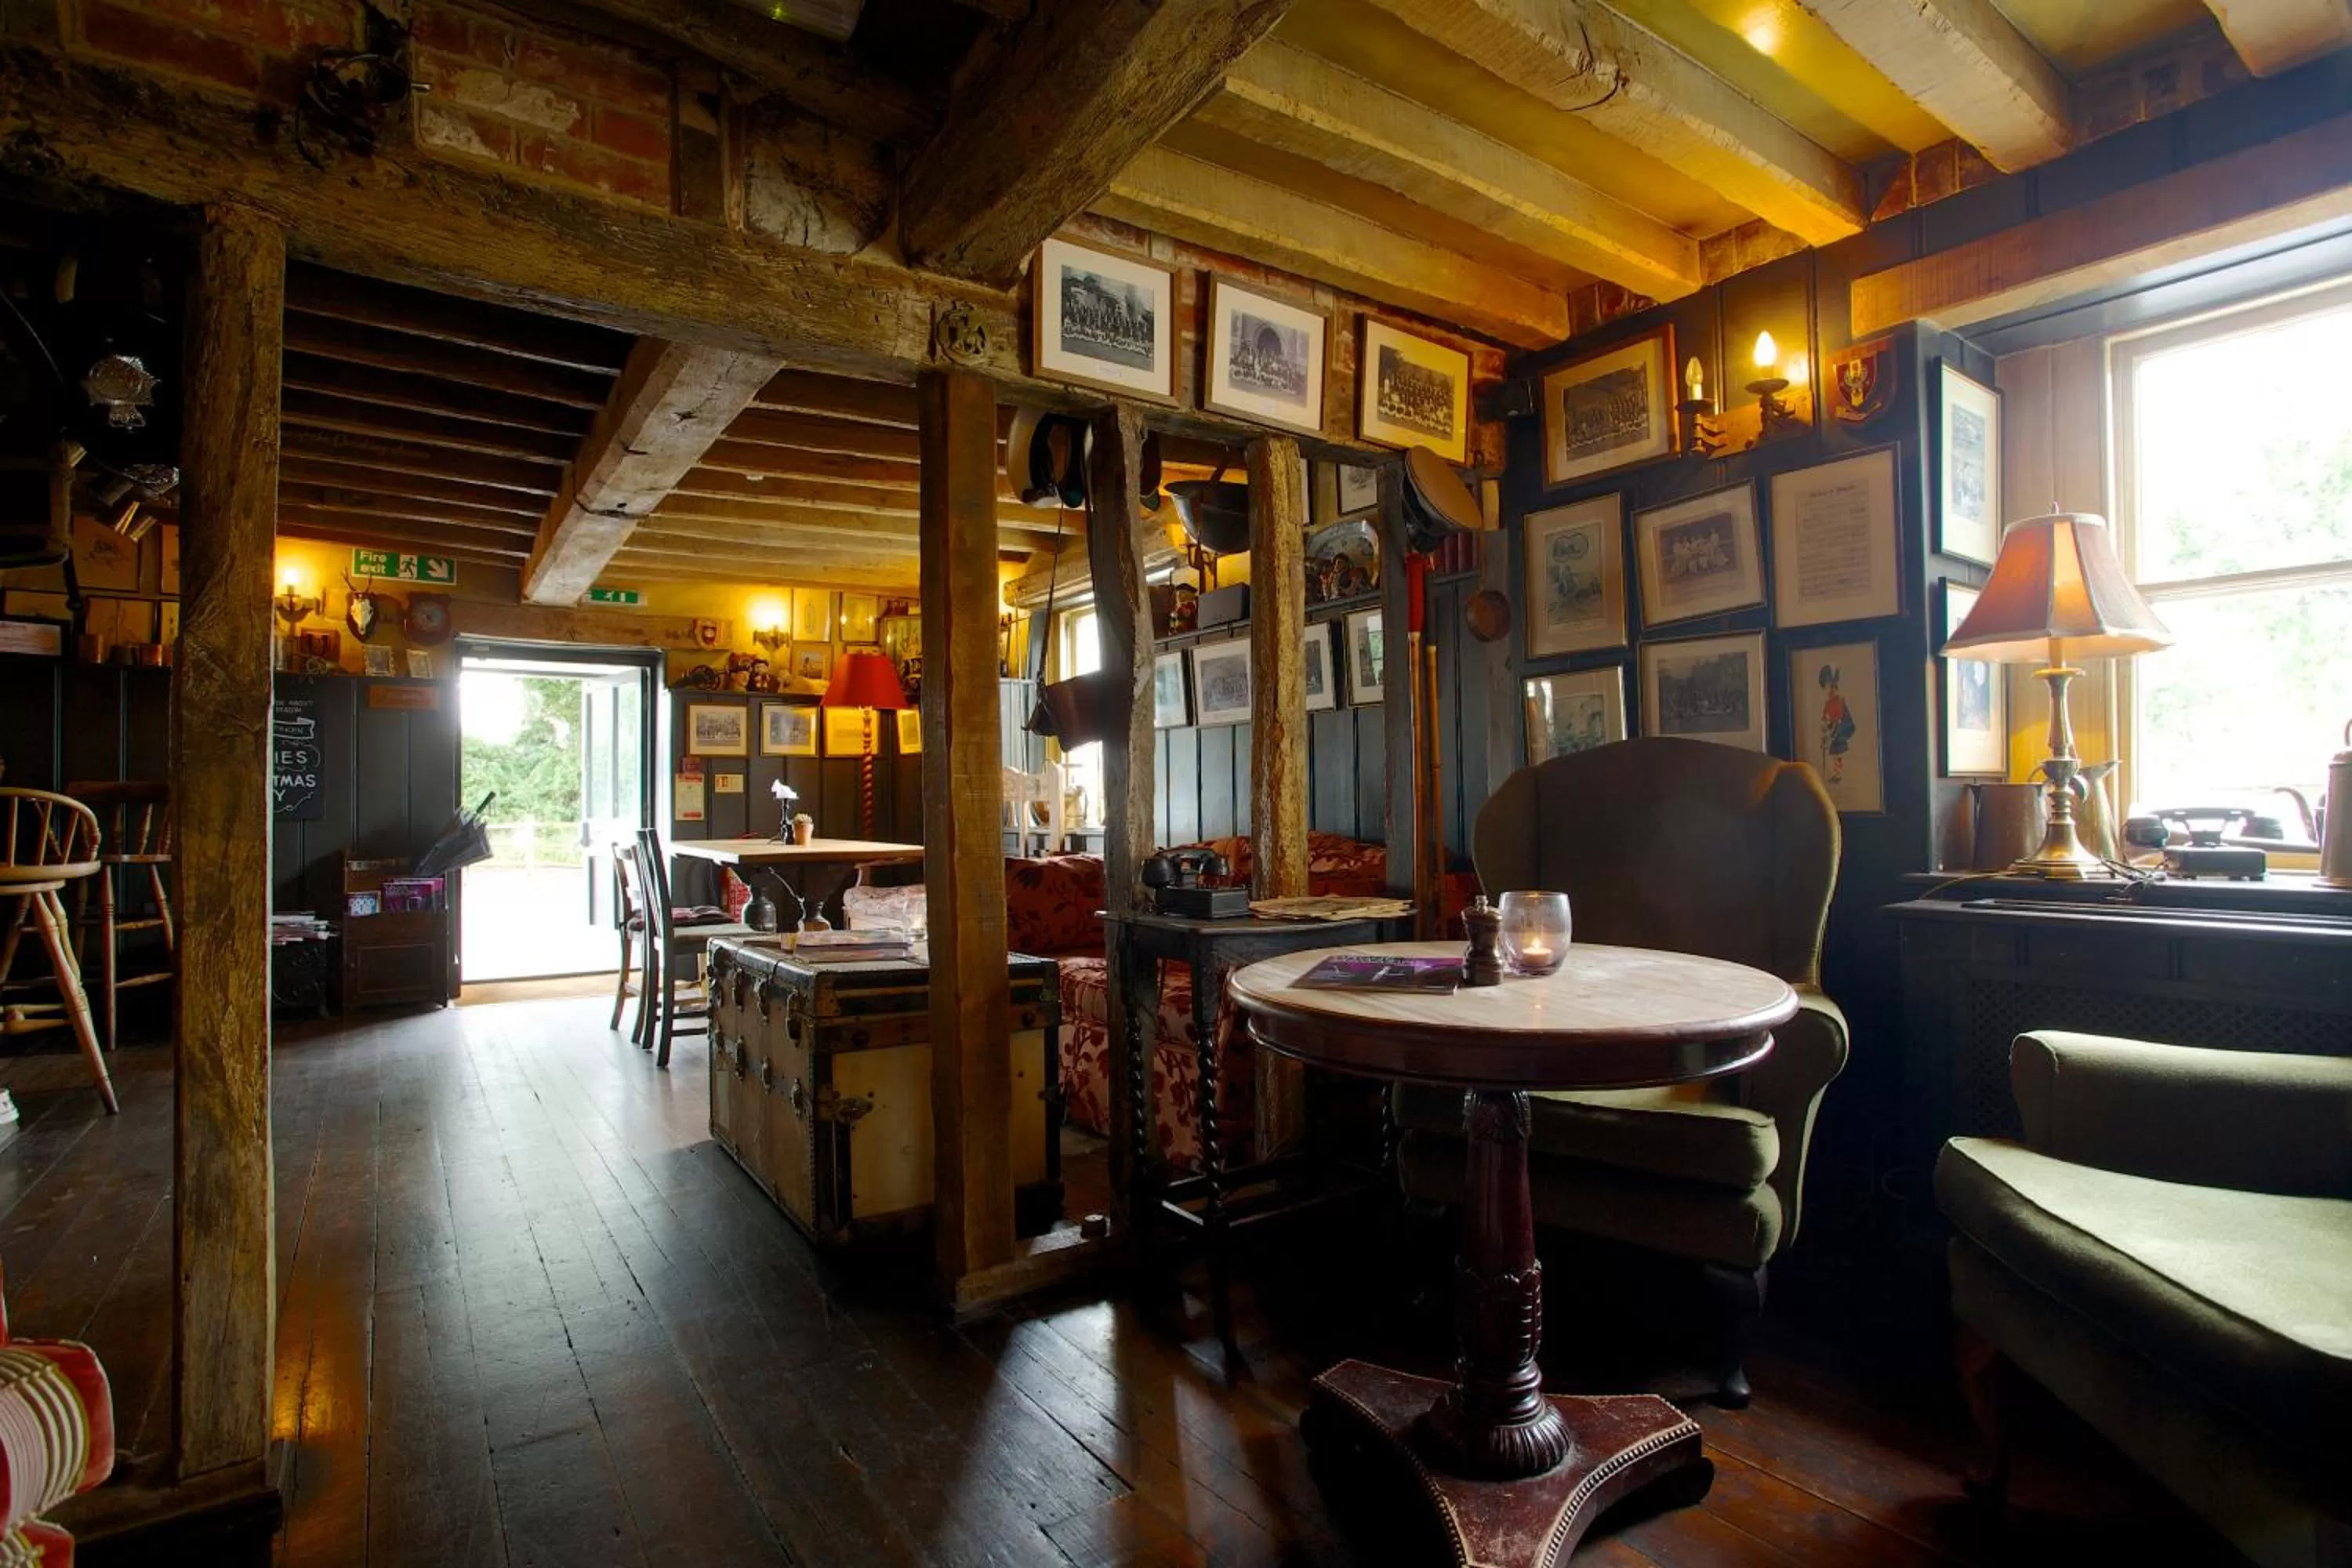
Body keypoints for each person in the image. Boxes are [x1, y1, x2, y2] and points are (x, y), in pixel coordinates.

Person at [1817, 663, 1855, 785]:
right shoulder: (1829, 700)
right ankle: (1837, 774)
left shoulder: (1838, 699)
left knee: (1837, 753)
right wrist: (1825, 723)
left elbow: (1838, 716)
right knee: (1835, 753)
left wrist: (1831, 727)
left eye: (1829, 685)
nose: (1828, 688)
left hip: (1839, 728)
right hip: (1833, 728)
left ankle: (1838, 775)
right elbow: (1826, 714)